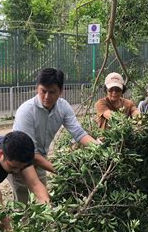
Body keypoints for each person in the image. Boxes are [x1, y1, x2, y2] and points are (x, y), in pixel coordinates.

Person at [10, 68, 100, 203]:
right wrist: (62, 171)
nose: (47, 96)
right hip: (19, 162)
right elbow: (30, 153)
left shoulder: (63, 107)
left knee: (43, 201)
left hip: (40, 159)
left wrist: (99, 149)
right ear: (37, 89)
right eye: (43, 91)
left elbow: (79, 133)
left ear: (61, 91)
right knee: (22, 204)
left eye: (52, 92)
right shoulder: (26, 111)